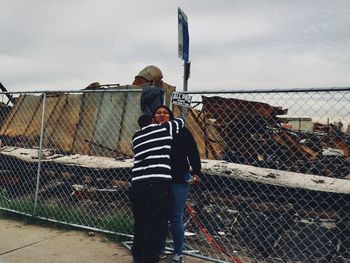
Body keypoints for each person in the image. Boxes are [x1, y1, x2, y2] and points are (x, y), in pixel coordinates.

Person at [130, 113, 184, 263]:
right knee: (155, 225)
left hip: (137, 184)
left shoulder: (136, 136)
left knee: (140, 222)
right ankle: (149, 259)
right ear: (154, 120)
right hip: (156, 183)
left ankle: (138, 258)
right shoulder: (164, 129)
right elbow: (181, 121)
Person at [153, 105, 201, 263]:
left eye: (165, 113)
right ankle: (159, 249)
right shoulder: (152, 132)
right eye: (158, 113)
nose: (161, 115)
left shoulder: (182, 131)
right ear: (154, 116)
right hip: (159, 179)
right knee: (160, 216)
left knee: (175, 217)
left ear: (170, 116)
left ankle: (178, 253)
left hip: (179, 178)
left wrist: (197, 172)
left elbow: (193, 152)